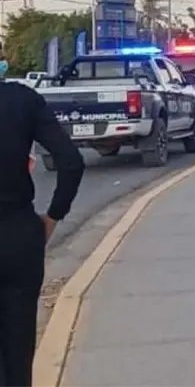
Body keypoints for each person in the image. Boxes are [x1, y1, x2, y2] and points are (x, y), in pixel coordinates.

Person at [0, 41, 85, 387]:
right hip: (18, 234)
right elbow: (71, 161)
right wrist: (52, 217)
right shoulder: (23, 100)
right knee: (19, 347)